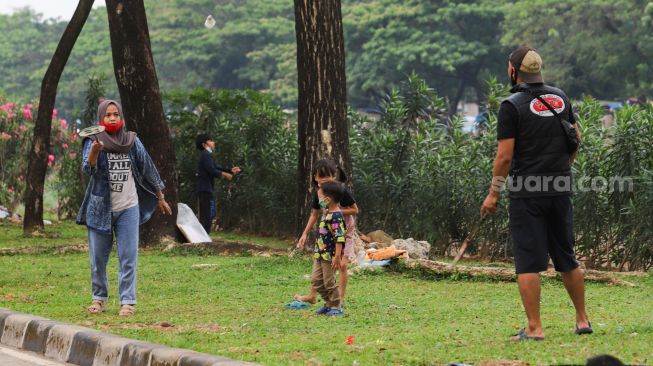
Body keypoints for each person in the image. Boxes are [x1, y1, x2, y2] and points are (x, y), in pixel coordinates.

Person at [480, 46, 591, 340]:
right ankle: (582, 320)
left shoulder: (511, 105)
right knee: (566, 256)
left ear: (513, 71)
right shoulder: (561, 97)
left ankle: (535, 328)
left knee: (529, 261)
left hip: (527, 192)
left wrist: (493, 193)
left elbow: (504, 157)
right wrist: (561, 169)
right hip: (559, 187)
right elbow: (575, 139)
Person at [76, 99, 172, 317]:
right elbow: (87, 170)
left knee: (128, 255)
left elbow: (147, 166)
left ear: (121, 118)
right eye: (108, 115)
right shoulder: (92, 140)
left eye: (115, 114)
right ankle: (98, 299)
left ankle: (127, 302)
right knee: (98, 258)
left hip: (129, 207)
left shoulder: (131, 141)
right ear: (101, 118)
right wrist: (95, 153)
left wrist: (160, 195)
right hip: (100, 208)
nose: (112, 118)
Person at [295, 159, 359, 305]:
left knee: (342, 264)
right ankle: (312, 295)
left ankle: (340, 299)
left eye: (327, 176)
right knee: (321, 260)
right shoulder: (320, 193)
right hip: (327, 231)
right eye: (320, 176)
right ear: (315, 178)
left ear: (334, 176)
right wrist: (304, 233)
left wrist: (337, 212)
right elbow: (314, 214)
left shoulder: (340, 190)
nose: (323, 179)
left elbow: (355, 210)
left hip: (344, 231)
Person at [308, 180, 347, 316]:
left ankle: (336, 304)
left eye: (320, 197)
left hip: (329, 256)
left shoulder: (336, 216)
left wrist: (337, 256)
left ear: (328, 199)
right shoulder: (326, 213)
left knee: (329, 282)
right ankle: (328, 302)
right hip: (319, 254)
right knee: (316, 280)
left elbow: (339, 237)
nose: (318, 200)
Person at [195, 133, 241, 234]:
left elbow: (216, 167)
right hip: (205, 189)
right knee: (207, 215)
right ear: (204, 144)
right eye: (211, 140)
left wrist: (230, 170)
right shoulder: (206, 155)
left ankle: (204, 237)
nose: (213, 142)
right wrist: (225, 174)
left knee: (207, 214)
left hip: (205, 189)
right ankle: (204, 238)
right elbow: (212, 170)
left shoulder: (207, 155)